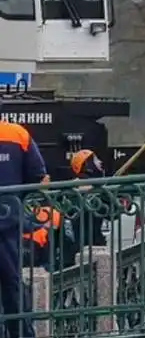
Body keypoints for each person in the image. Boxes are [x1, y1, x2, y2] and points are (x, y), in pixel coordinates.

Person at [0, 121, 49, 338]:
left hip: (9, 224)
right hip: (9, 223)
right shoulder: (17, 134)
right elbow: (40, 179)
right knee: (12, 286)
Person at [68, 150, 108, 247]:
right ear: (87, 164)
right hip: (85, 244)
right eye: (95, 160)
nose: (100, 162)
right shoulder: (75, 189)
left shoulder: (98, 188)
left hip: (89, 242)